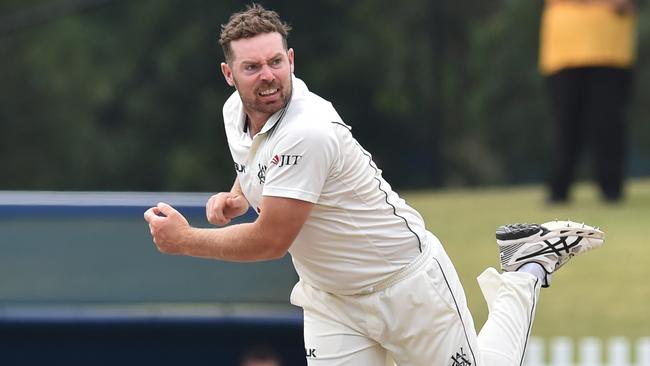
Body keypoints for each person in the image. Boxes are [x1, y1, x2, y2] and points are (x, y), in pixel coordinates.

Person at [144, 4, 605, 365]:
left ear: (291, 60)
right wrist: (240, 192)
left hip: (405, 286)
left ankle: (525, 269)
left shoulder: (309, 129)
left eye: (275, 63)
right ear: (229, 75)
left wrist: (185, 241)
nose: (267, 76)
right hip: (331, 300)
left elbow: (271, 240)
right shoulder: (236, 114)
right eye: (251, 68)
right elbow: (260, 159)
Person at [539, 0, 636, 203]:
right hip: (564, 50)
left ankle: (611, 189)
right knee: (566, 124)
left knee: (608, 122)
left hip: (610, 49)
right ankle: (559, 188)